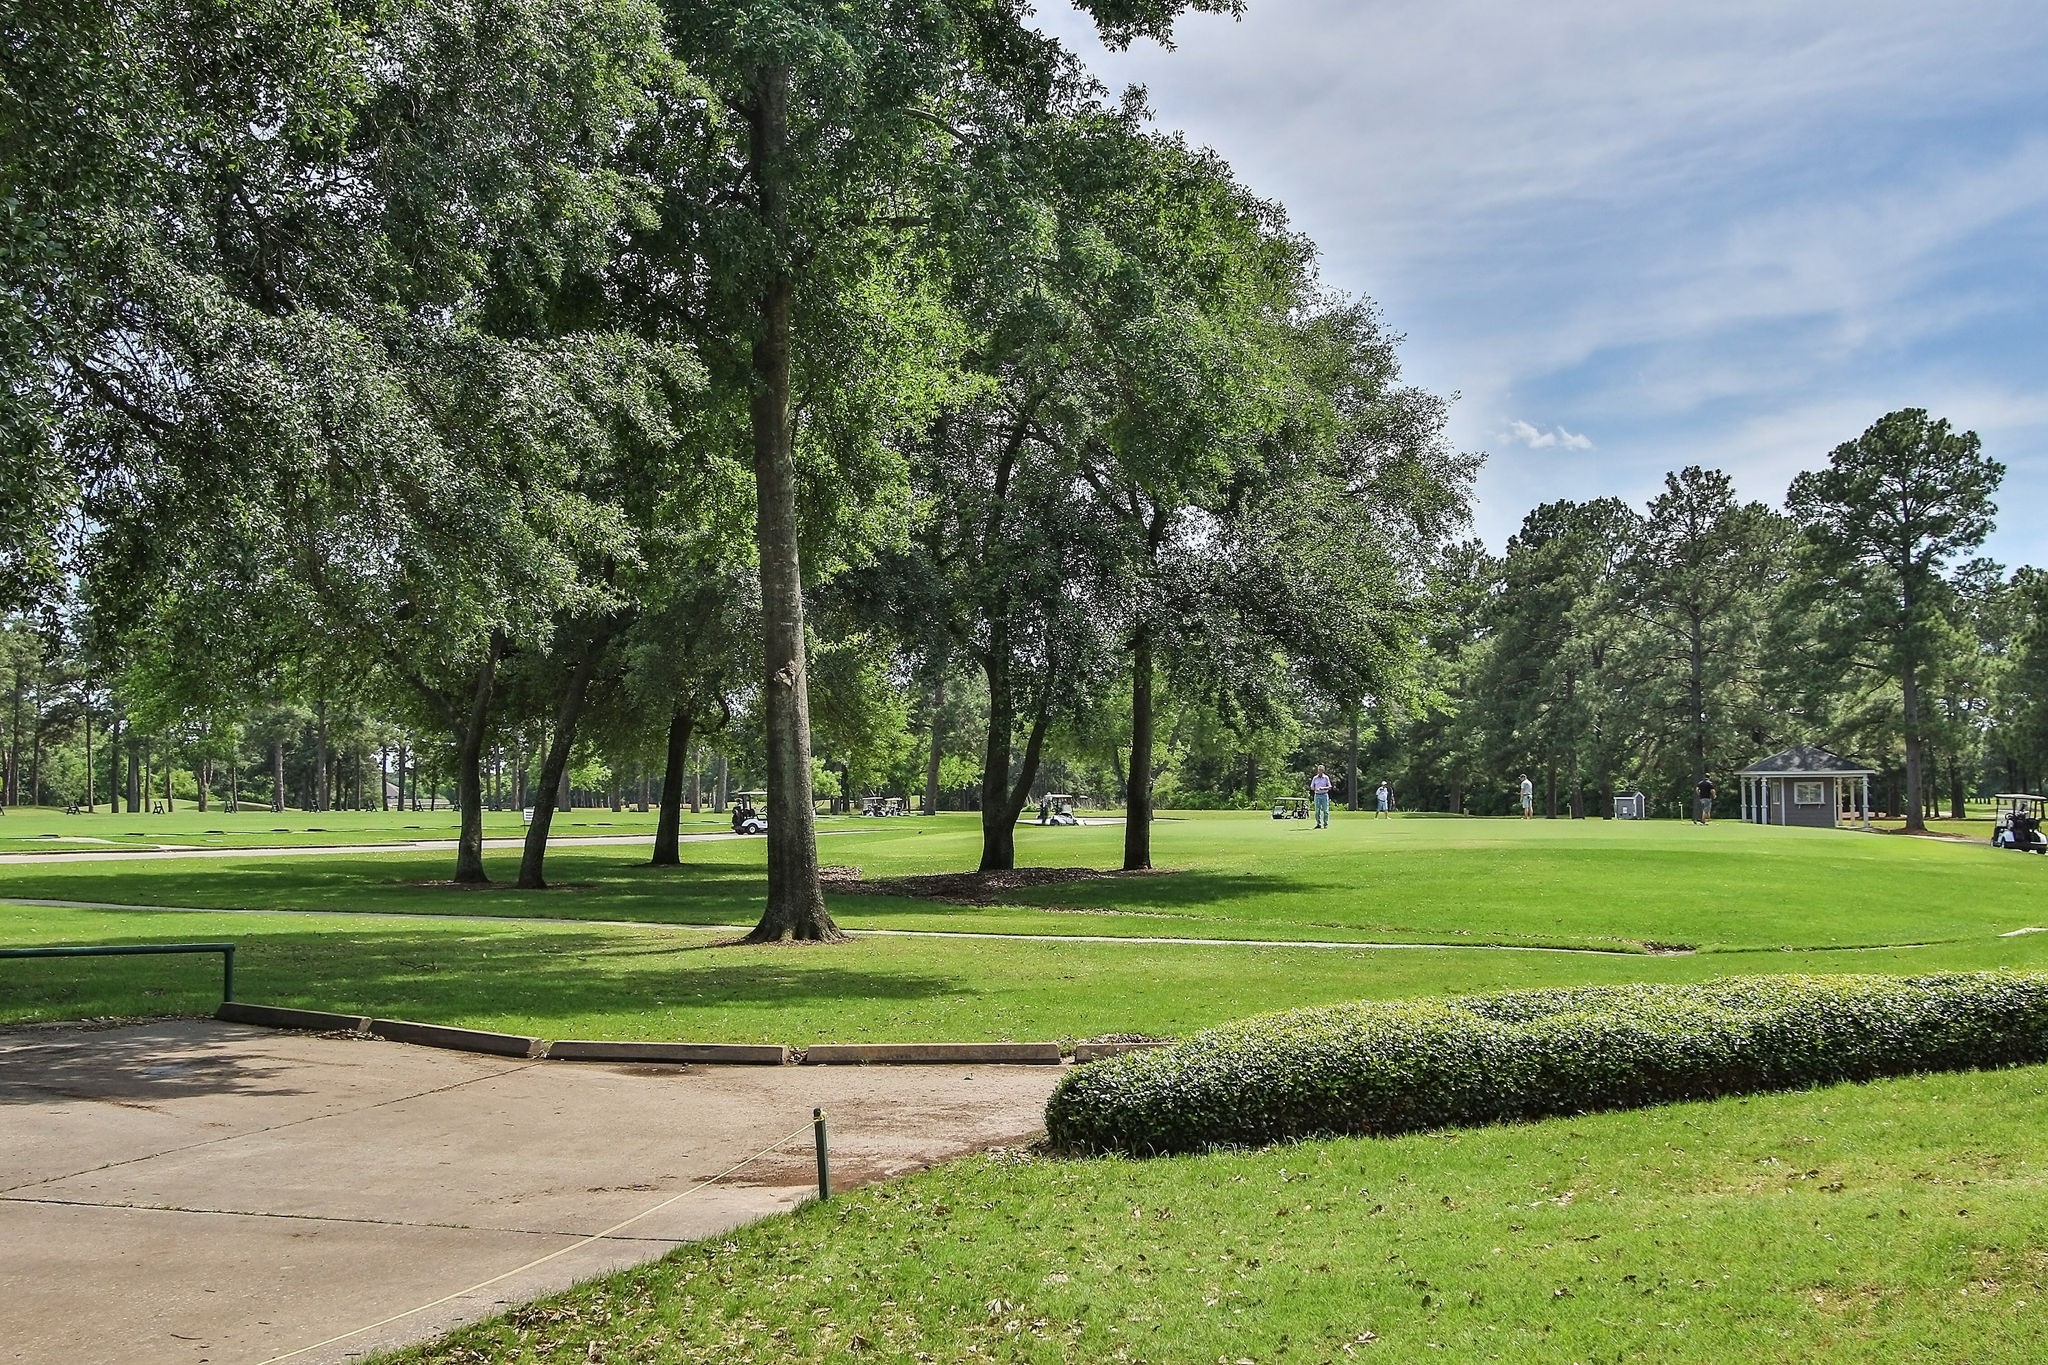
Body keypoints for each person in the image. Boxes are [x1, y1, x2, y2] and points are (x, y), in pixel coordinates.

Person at [1309, 765, 1334, 829]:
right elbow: (1311, 787)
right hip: (1317, 795)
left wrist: (1323, 788)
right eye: (1319, 770)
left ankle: (1325, 824)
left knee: (1325, 810)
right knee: (1317, 811)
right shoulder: (1315, 778)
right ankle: (1318, 824)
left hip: (1324, 795)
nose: (1319, 771)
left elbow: (1330, 787)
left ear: (1323, 770)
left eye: (1321, 770)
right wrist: (1315, 789)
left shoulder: (1326, 778)